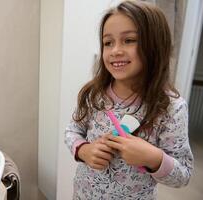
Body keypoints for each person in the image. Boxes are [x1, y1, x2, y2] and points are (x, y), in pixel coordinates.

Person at [64, 1, 194, 199]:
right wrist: (83, 150)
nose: (115, 50)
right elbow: (72, 130)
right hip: (83, 194)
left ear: (155, 45)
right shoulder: (94, 94)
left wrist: (154, 158)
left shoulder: (171, 108)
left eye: (129, 40)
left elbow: (183, 175)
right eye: (108, 42)